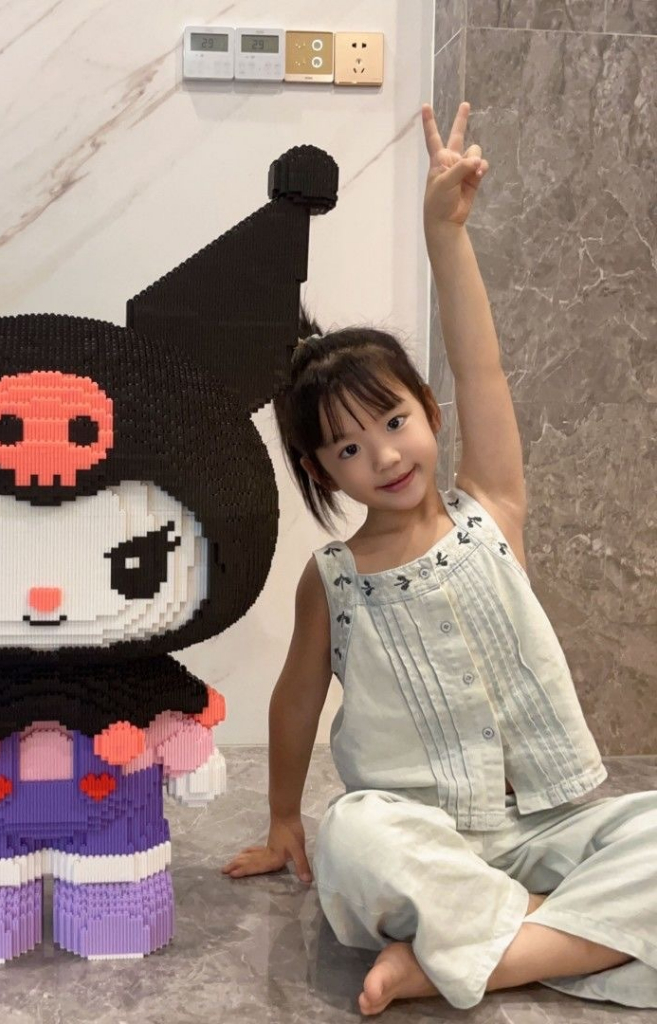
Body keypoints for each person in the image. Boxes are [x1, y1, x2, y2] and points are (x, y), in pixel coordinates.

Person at [221, 101, 657, 1016]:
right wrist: (285, 818)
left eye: (393, 421)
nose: (383, 455)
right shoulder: (334, 580)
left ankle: (468, 956)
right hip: (425, 836)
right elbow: (295, 699)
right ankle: (551, 933)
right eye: (348, 448)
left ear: (430, 411)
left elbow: (482, 366)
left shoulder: (491, 508)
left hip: (556, 823)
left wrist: (445, 236)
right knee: (353, 842)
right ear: (322, 472)